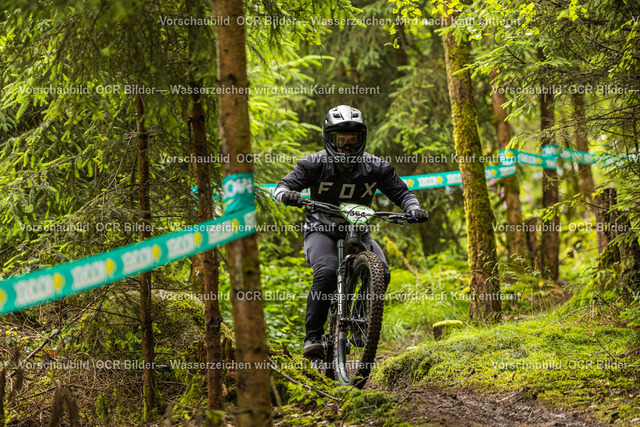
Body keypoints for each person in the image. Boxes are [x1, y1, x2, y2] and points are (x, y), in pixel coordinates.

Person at [274, 105, 428, 359]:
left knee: (382, 271)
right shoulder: (313, 164)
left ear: (362, 139)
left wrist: (413, 208)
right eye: (340, 140)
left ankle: (358, 322)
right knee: (327, 271)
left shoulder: (376, 167)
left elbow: (402, 193)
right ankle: (313, 337)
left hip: (358, 231)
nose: (346, 147)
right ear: (328, 139)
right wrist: (288, 195)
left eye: (352, 140)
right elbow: (282, 186)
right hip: (321, 230)